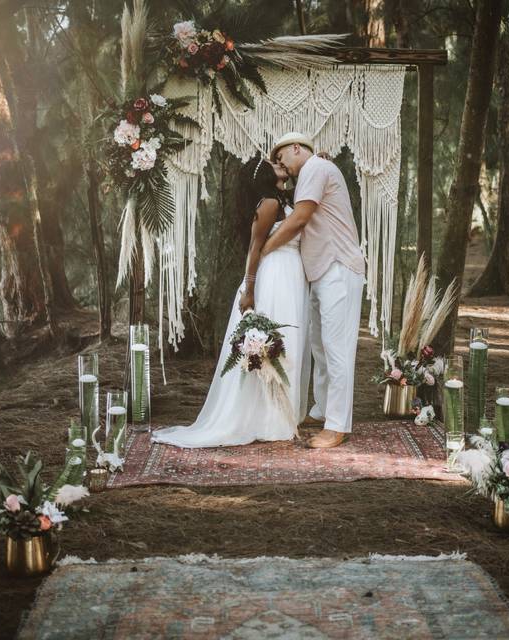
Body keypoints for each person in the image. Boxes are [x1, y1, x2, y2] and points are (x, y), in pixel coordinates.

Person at [151, 155, 311, 448]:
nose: (281, 165)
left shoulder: (279, 199)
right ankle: (269, 419)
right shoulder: (269, 204)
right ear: (263, 175)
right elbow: (254, 247)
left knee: (287, 344)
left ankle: (279, 415)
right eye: (274, 164)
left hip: (289, 276)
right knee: (278, 344)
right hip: (274, 276)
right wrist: (249, 290)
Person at [262, 132, 366, 449]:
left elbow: (299, 219)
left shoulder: (315, 169)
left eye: (283, 160)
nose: (284, 168)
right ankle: (322, 410)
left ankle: (337, 425)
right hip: (323, 270)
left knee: (336, 348)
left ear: (297, 149)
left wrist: (264, 250)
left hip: (338, 267)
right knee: (320, 346)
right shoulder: (313, 170)